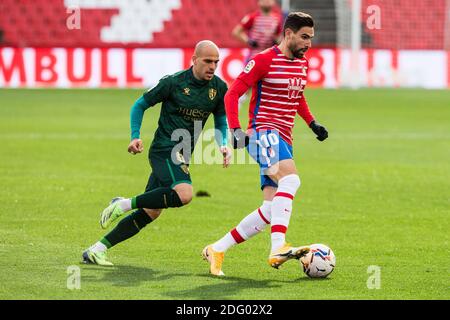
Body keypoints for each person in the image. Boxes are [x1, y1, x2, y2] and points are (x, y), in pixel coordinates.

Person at [82, 40, 231, 266]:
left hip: (183, 154)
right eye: (207, 61)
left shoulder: (218, 88)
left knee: (151, 211)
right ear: (194, 60)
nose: (212, 66)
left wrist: (223, 144)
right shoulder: (173, 82)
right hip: (164, 149)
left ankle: (97, 250)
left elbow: (220, 120)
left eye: (216, 62)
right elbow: (140, 105)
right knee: (184, 194)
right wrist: (135, 135)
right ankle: (122, 204)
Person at [202, 12, 329, 276]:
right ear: (288, 34)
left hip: (284, 137)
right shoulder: (264, 60)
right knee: (291, 181)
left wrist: (312, 123)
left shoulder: (302, 65)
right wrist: (235, 130)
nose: (308, 43)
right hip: (262, 133)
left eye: (311, 38)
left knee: (271, 209)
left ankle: (217, 248)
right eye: (304, 37)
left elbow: (298, 96)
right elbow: (232, 93)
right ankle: (278, 247)